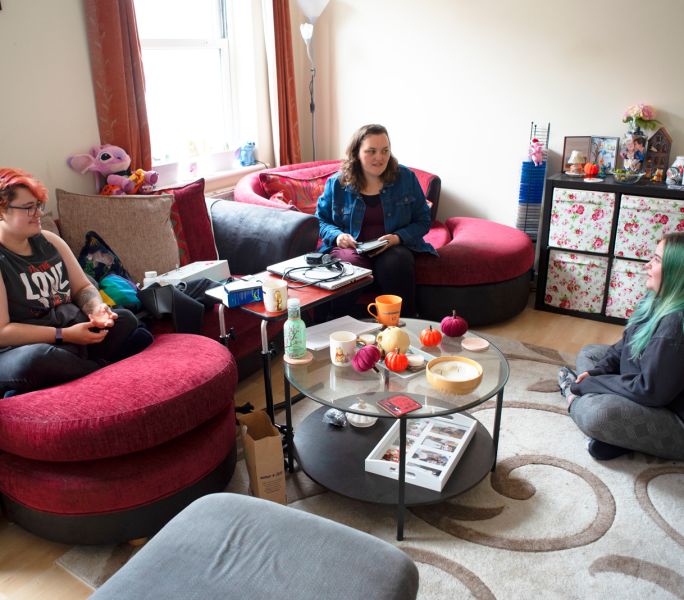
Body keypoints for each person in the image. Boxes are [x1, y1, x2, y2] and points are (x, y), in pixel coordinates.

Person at [0, 167, 151, 397]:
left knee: (125, 320)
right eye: (28, 207)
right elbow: (4, 332)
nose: (38, 213)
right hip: (23, 349)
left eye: (38, 205)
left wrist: (96, 309)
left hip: (71, 336)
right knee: (36, 360)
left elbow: (83, 287)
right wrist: (65, 334)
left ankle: (60, 376)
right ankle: (101, 368)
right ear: (2, 211)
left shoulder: (50, 241)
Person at [558, 232, 684, 461]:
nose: (647, 265)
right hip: (651, 387)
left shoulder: (676, 324)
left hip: (674, 418)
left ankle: (571, 397)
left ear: (676, 272)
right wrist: (598, 373)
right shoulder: (657, 298)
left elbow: (650, 392)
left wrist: (591, 384)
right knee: (591, 353)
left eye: (656, 260)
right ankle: (620, 439)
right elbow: (626, 343)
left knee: (600, 415)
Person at [315, 124, 437, 317]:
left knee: (397, 261)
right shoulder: (337, 183)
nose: (379, 157)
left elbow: (423, 220)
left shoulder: (405, 178)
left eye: (385, 151)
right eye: (371, 151)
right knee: (351, 267)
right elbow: (320, 221)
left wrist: (397, 238)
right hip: (351, 249)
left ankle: (403, 323)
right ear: (356, 153)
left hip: (392, 247)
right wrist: (337, 236)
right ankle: (336, 325)